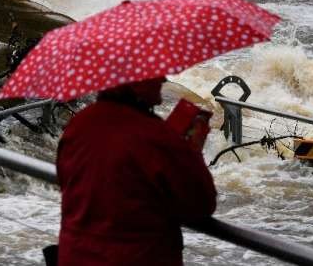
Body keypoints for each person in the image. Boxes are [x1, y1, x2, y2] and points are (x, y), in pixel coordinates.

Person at [55, 77, 217, 266]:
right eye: (154, 76)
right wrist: (193, 150)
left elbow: (66, 180)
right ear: (136, 85)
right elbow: (201, 203)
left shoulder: (79, 124)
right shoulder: (156, 136)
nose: (162, 79)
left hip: (75, 256)